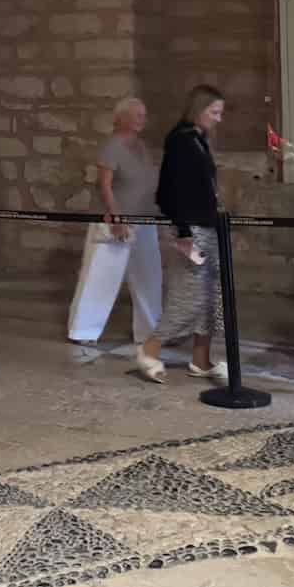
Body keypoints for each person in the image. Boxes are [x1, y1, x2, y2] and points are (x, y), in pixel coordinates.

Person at [68, 97, 164, 358]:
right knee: (101, 275)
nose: (141, 119)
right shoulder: (112, 146)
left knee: (148, 276)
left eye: (143, 114)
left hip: (144, 219)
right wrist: (117, 216)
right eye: (135, 114)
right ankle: (84, 330)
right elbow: (105, 185)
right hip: (114, 221)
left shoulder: (141, 147)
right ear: (120, 118)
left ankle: (149, 331)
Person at [148, 84, 228, 384]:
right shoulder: (181, 140)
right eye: (214, 112)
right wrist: (183, 231)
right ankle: (150, 350)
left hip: (206, 224)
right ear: (198, 109)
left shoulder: (198, 139)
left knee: (210, 295)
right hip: (190, 227)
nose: (219, 118)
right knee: (190, 294)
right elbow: (172, 190)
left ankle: (200, 358)